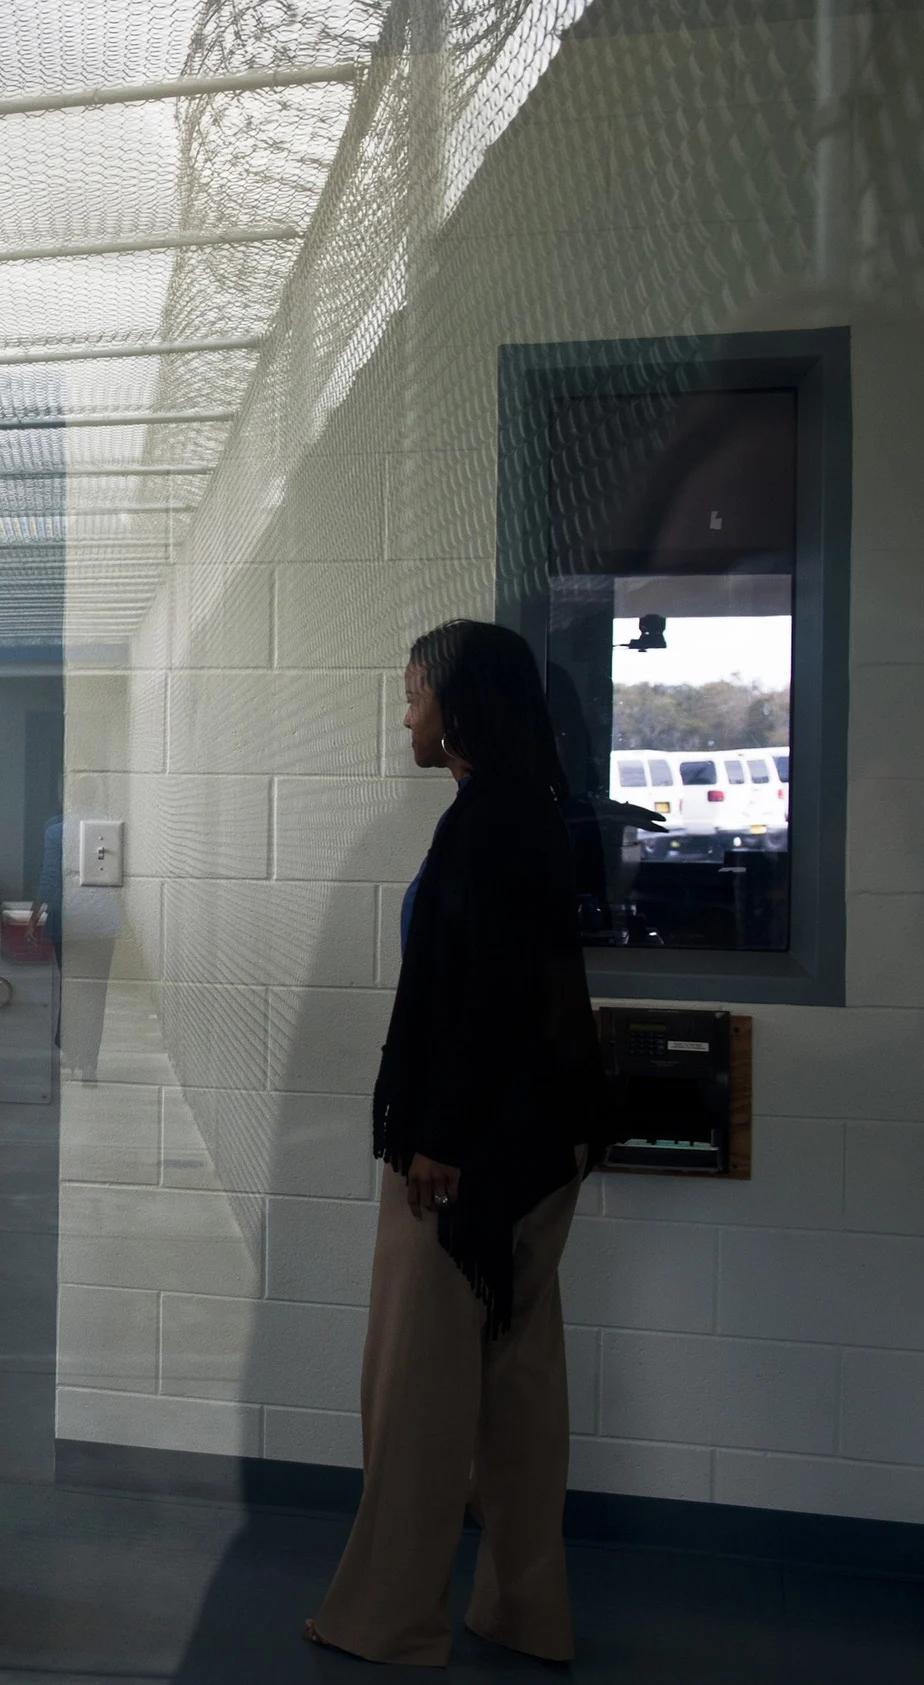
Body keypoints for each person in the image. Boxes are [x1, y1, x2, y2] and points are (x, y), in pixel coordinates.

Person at [307, 619, 614, 1667]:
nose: (404, 715)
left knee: (416, 1393)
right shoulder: (529, 811)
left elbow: (483, 999)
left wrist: (436, 1137)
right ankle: (524, 1610)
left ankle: (386, 1616)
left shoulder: (487, 822)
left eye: (411, 693)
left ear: (457, 703)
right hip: (537, 1149)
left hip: (466, 1158)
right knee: (520, 1387)